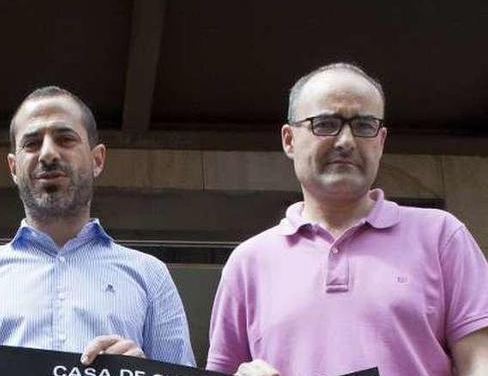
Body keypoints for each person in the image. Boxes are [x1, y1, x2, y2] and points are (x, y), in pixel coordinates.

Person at [206, 63, 488, 376]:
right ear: (289, 140)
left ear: (380, 141)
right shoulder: (249, 262)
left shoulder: (441, 237)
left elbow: (480, 360)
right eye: (325, 123)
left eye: (364, 126)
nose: (346, 141)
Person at [0, 86, 195, 367]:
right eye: (31, 143)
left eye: (65, 139)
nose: (47, 154)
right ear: (13, 168)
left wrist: (143, 374)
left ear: (97, 159)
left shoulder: (150, 276)